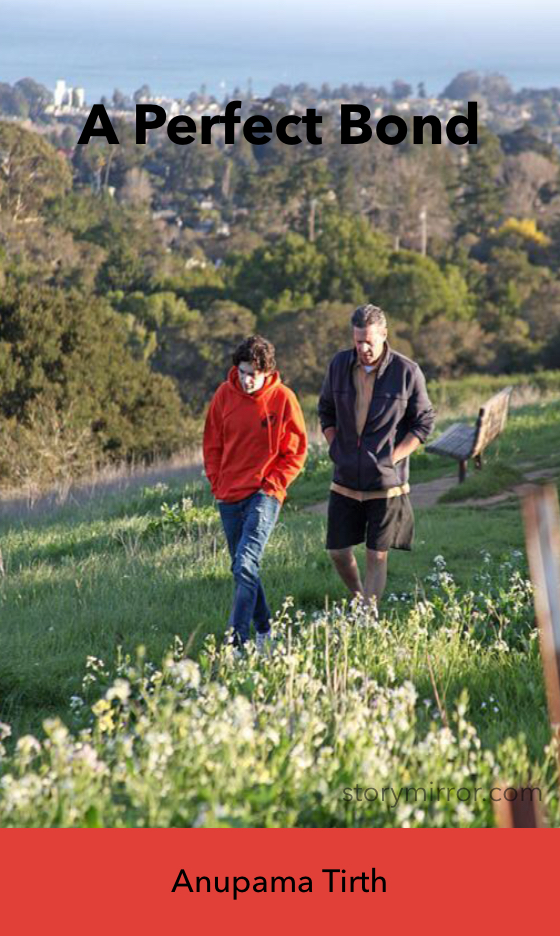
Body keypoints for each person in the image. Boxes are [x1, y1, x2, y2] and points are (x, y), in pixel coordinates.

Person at [318, 304, 435, 607]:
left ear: (384, 334)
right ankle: (360, 599)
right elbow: (326, 410)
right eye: (358, 341)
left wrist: (392, 458)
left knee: (376, 555)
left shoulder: (407, 371)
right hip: (344, 479)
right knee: (338, 552)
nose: (363, 348)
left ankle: (368, 617)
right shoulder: (338, 365)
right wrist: (336, 447)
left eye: (369, 341)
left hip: (386, 483)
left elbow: (424, 422)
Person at [203, 335, 307, 647]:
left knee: (246, 563)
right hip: (228, 495)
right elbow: (212, 444)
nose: (247, 380)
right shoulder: (223, 395)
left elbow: (296, 452)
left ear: (267, 372)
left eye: (253, 374)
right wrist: (217, 483)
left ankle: (236, 642)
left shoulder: (283, 398)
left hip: (264, 493)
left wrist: (274, 485)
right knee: (242, 568)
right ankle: (266, 632)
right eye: (243, 372)